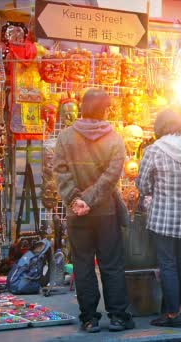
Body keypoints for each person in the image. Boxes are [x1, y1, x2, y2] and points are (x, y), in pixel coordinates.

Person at [53, 89, 135, 333]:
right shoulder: (114, 139)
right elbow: (111, 178)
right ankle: (118, 316)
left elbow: (60, 172)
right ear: (105, 109)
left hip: (77, 213)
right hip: (106, 212)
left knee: (83, 265)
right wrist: (89, 199)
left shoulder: (66, 137)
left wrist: (76, 200)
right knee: (111, 264)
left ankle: (89, 318)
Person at [136, 109, 181, 328]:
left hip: (164, 217)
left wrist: (155, 190)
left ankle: (172, 314)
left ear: (160, 127)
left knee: (168, 265)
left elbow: (143, 184)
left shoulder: (154, 150)